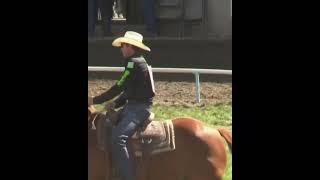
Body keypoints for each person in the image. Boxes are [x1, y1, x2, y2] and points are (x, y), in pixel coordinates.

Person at [88, 31, 155, 180]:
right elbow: (129, 90)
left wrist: (94, 100)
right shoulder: (138, 61)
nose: (121, 48)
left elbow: (119, 86)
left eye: (123, 45)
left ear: (130, 46)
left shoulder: (133, 63)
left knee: (118, 138)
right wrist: (116, 103)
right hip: (134, 106)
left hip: (138, 109)